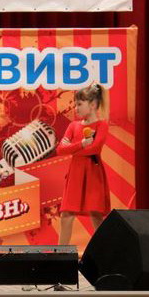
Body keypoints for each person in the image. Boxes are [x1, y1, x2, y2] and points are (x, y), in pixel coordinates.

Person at [56, 83, 111, 245]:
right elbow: (60, 150)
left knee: (96, 215)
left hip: (93, 174)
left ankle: (104, 253)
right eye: (75, 104)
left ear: (92, 105)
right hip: (75, 174)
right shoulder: (73, 126)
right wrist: (81, 144)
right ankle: (60, 254)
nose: (76, 108)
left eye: (79, 104)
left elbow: (94, 148)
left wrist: (73, 149)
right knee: (66, 215)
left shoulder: (102, 125)